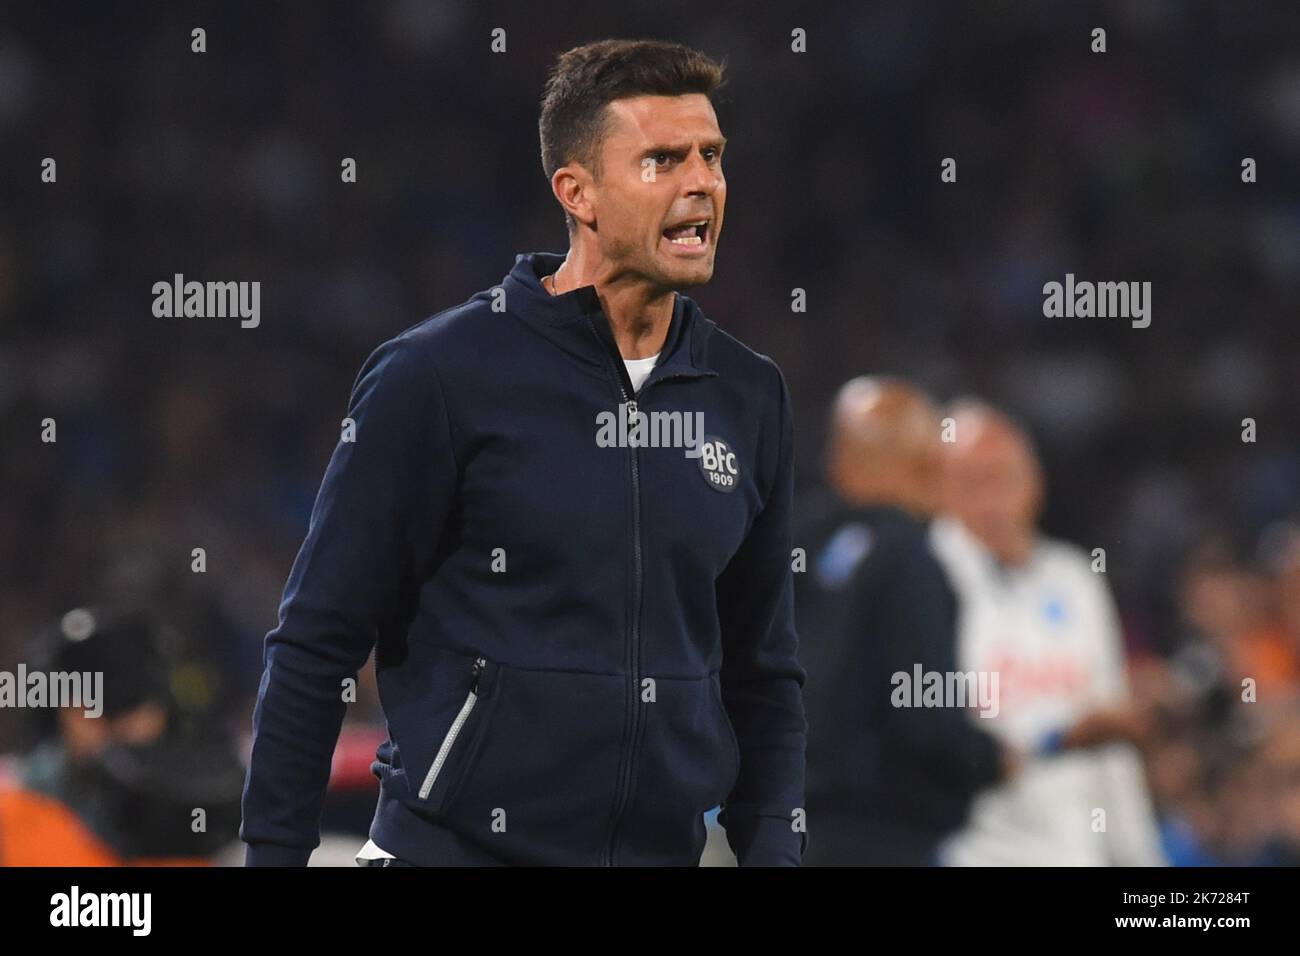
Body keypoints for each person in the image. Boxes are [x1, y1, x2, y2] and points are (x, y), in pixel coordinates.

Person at [240, 39, 807, 867]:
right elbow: (316, 641)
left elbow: (763, 675)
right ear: (576, 192)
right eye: (662, 159)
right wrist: (272, 858)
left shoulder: (748, 395)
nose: (702, 183)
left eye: (711, 156)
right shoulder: (440, 374)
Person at [930, 401, 1165, 866]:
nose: (993, 499)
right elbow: (934, 742)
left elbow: (1112, 736)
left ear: (1035, 483)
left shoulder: (1075, 578)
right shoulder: (924, 581)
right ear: (939, 489)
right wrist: (1060, 738)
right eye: (974, 481)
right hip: (976, 852)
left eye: (1006, 478)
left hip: (1079, 851)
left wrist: (1141, 859)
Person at [796, 377, 1014, 865]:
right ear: (922, 465)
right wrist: (989, 758)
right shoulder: (908, 558)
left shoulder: (798, 544)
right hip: (880, 836)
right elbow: (925, 721)